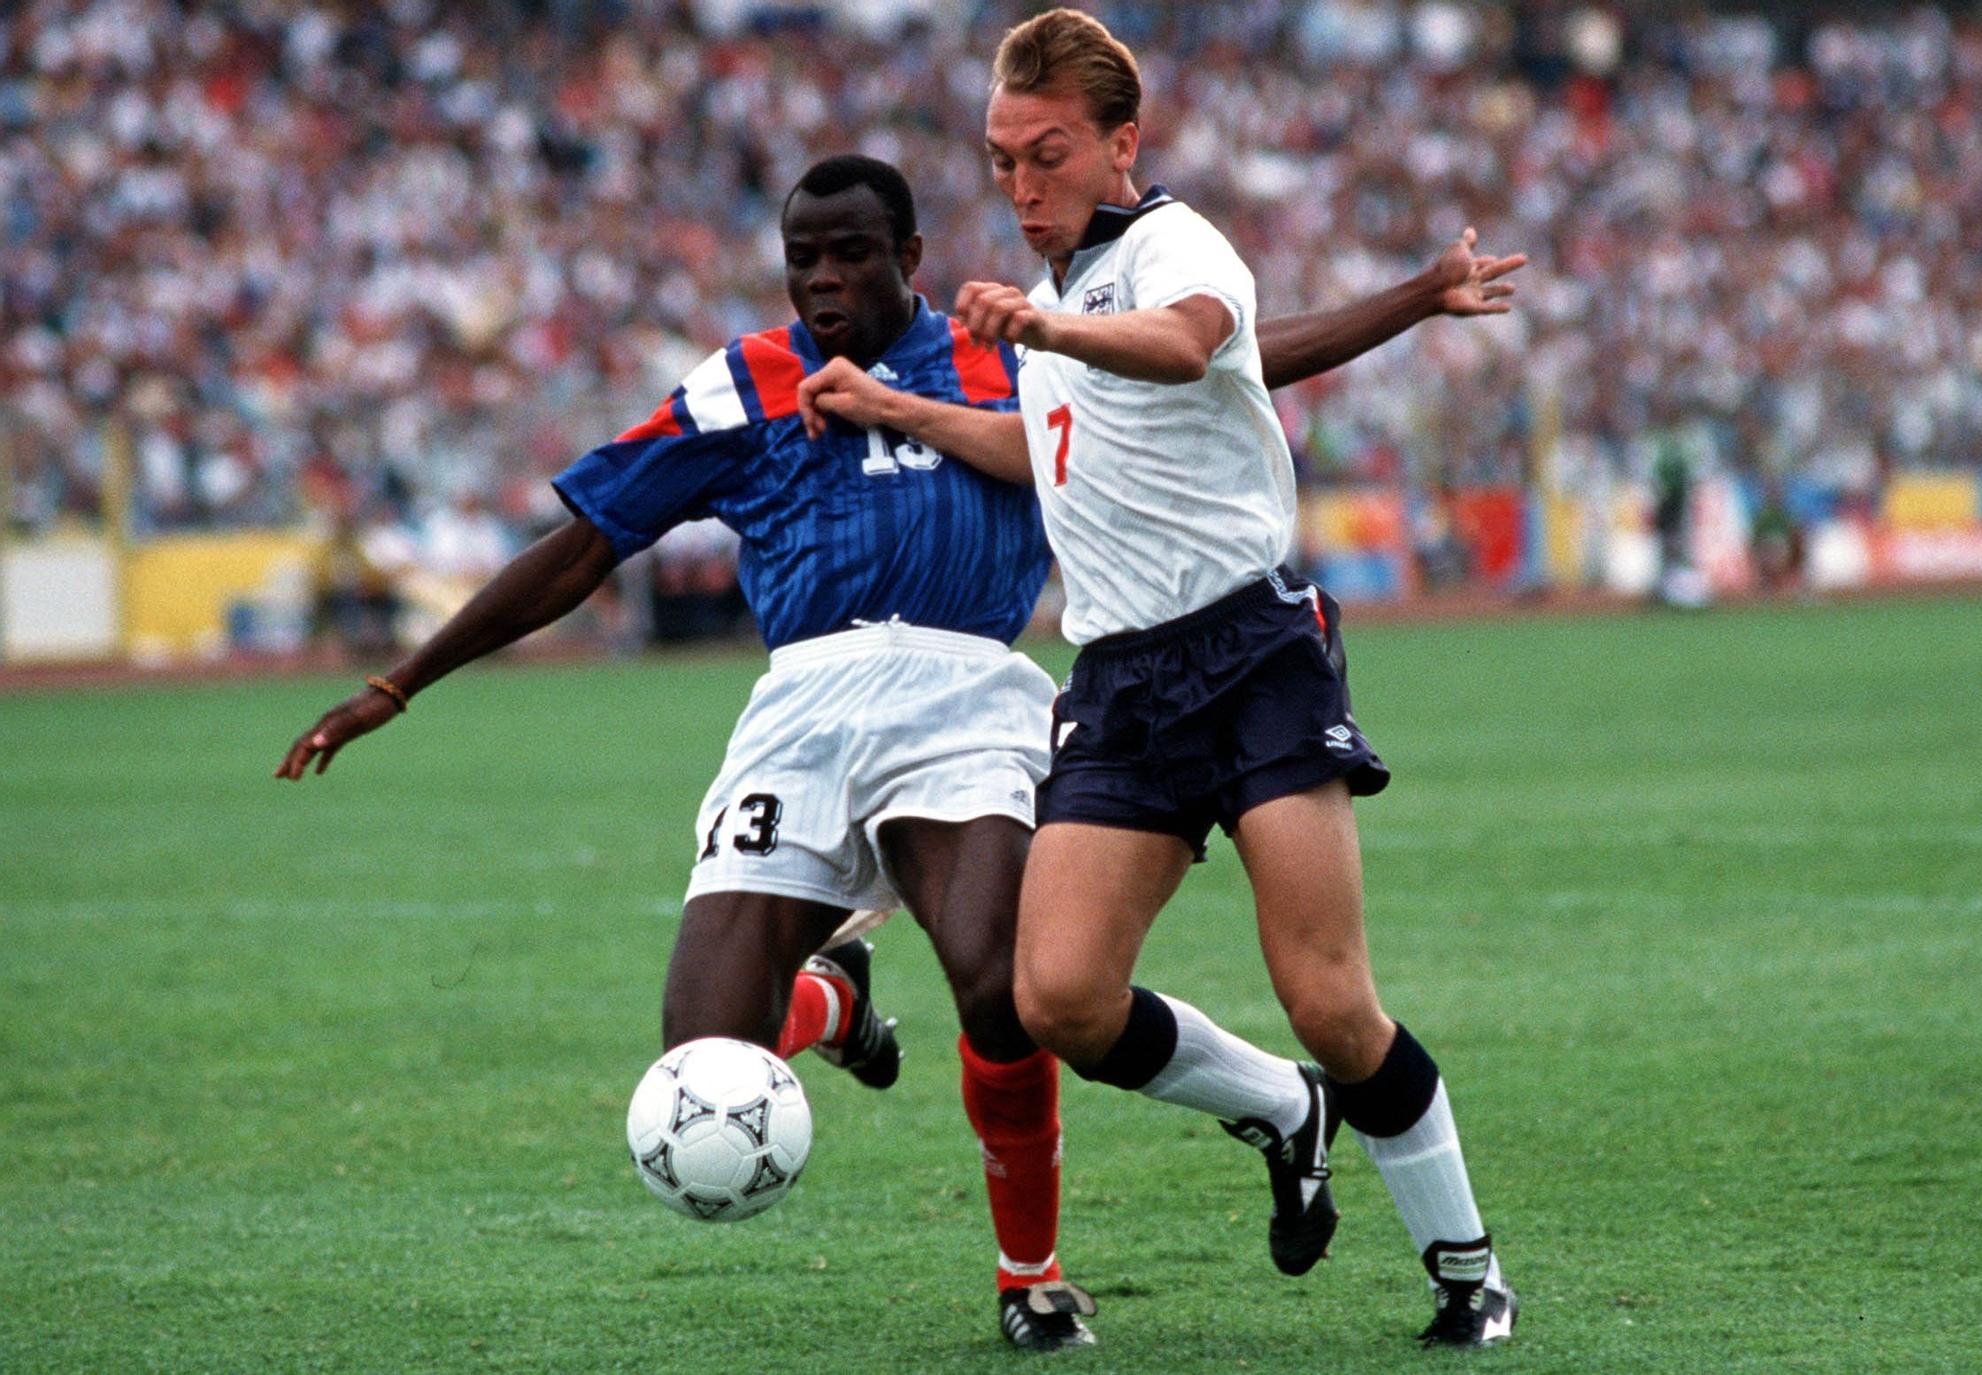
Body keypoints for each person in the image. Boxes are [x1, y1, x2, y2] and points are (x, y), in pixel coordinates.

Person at [278, 144, 1519, 1351]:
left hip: (967, 688)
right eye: (799, 260)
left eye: (848, 256)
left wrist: (1412, 300)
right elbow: (587, 542)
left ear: (909, 257)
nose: (821, 281)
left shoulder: (1008, 349)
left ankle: (1030, 1275)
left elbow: (1232, 360)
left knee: (1004, 985)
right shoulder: (737, 384)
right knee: (701, 1060)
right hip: (800, 708)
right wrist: (402, 679)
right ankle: (837, 998)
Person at [797, 11, 1521, 1350]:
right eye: (1002, 158)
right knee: (1056, 995)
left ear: (1120, 144)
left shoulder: (1174, 246)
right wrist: (899, 409)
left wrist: (1049, 333)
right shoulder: (1061, 300)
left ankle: (1467, 1266)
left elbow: (1191, 343)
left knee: (1330, 995)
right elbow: (1051, 451)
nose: (1021, 184)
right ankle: (1284, 1110)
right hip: (1122, 675)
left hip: (1253, 655)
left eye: (1048, 153)